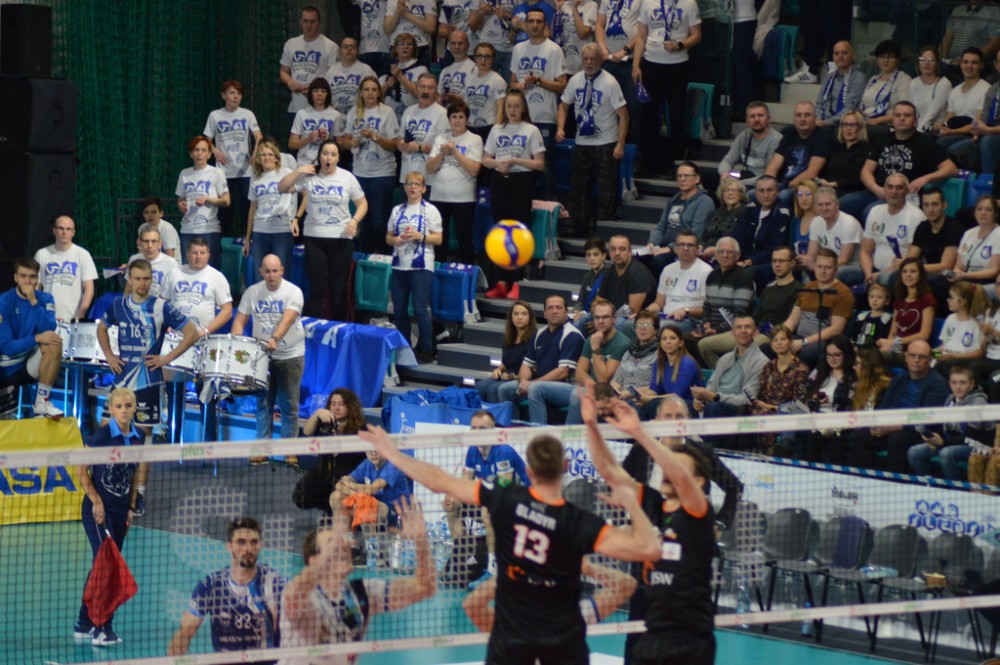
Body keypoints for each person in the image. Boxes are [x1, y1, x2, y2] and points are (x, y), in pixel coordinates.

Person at [357, 422, 661, 665]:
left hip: (510, 639)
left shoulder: (506, 498)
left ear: (528, 471)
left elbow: (438, 481)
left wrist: (392, 452)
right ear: (566, 466)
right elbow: (648, 549)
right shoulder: (579, 521)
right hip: (563, 641)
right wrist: (632, 503)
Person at [581, 393, 716, 665]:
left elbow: (680, 477)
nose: (667, 471)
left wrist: (639, 432)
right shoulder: (653, 504)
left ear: (699, 481)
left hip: (688, 639)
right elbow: (609, 471)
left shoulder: (698, 513)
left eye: (676, 467)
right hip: (651, 632)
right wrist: (592, 427)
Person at [278, 502, 436, 663]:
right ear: (313, 559)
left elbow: (424, 587)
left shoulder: (362, 592)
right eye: (332, 542)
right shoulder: (304, 596)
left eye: (342, 541)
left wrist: (422, 543)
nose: (343, 544)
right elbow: (296, 592)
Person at [73, 387, 142, 646]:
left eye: (128, 406)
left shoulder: (138, 437)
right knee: (108, 567)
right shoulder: (101, 437)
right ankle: (102, 629)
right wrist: (97, 501)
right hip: (97, 511)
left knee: (101, 566)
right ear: (111, 409)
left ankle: (83, 623)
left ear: (134, 408)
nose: (124, 410)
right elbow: (81, 471)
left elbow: (133, 474)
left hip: (120, 512)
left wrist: (131, 507)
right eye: (119, 406)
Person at [99, 259, 199, 433]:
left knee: (142, 438)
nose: (142, 283)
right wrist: (109, 355)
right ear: (130, 279)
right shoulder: (118, 305)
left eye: (146, 278)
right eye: (137, 279)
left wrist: (166, 359)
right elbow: (101, 328)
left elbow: (192, 333)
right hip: (122, 378)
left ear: (152, 279)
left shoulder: (162, 307)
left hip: (148, 381)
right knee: (106, 431)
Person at [168, 518, 287, 656]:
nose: (248, 549)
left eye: (254, 542)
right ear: (229, 546)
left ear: (260, 545)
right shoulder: (210, 585)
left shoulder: (276, 584)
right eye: (241, 542)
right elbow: (185, 633)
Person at [279, 139, 368, 320]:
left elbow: (363, 204)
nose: (328, 158)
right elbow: (282, 187)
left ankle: (339, 329)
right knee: (317, 289)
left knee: (338, 289)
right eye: (325, 153)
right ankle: (315, 328)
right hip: (314, 239)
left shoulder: (347, 177)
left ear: (338, 158)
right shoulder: (310, 175)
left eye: (333, 154)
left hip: (341, 239)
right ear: (319, 156)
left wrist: (354, 221)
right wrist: (298, 171)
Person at [159, 239, 234, 440]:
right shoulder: (174, 274)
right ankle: (173, 439)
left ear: (208, 254)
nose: (198, 256)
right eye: (194, 252)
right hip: (176, 342)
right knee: (174, 392)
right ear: (187, 254)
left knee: (206, 394)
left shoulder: (216, 277)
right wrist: (166, 327)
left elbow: (227, 311)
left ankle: (209, 444)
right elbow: (161, 305)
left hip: (205, 343)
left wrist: (206, 331)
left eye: (202, 252)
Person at [231, 255, 306, 458]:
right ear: (261, 272)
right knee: (263, 403)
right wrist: (235, 343)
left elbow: (288, 319)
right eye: (267, 271)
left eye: (275, 271)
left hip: (290, 355)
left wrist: (274, 338)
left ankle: (290, 451)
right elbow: (239, 321)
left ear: (282, 270)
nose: (271, 275)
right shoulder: (252, 292)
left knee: (289, 404)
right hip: (262, 357)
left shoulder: (293, 292)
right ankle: (262, 450)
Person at [557, 43, 628, 237]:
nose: (589, 63)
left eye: (593, 59)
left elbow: (623, 115)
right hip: (582, 142)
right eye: (586, 59)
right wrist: (561, 127)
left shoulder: (610, 82)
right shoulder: (575, 80)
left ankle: (604, 230)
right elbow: (563, 105)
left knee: (606, 190)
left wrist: (620, 144)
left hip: (606, 142)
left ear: (600, 60)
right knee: (579, 188)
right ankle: (578, 226)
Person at [841, 101, 958, 220]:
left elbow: (951, 169)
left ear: (915, 120)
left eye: (907, 115)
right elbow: (866, 171)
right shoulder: (883, 139)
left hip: (902, 196)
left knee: (870, 211)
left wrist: (926, 178)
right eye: (898, 115)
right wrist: (876, 189)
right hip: (878, 191)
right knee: (843, 203)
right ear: (893, 119)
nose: (902, 118)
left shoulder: (925, 142)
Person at [481, 90, 547, 298]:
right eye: (509, 106)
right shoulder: (497, 130)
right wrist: (498, 163)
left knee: (518, 232)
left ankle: (516, 281)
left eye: (516, 106)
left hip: (522, 181)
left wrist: (516, 160)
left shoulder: (531, 130)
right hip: (500, 181)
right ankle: (501, 282)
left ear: (523, 108)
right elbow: (485, 160)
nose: (512, 110)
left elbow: (539, 163)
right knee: (501, 232)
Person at [464, 556, 636, 631]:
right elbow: (626, 586)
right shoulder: (572, 618)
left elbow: (472, 605)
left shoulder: (511, 623)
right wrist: (589, 569)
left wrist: (508, 573)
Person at [699, 246, 801, 367]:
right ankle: (725, 375)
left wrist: (764, 334)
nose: (777, 265)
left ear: (792, 263)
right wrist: (749, 329)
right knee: (704, 345)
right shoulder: (768, 289)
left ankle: (735, 376)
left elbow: (791, 323)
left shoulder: (799, 289)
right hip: (753, 331)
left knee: (744, 348)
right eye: (774, 261)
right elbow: (756, 315)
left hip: (772, 335)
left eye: (782, 261)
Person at [631, 0, 701, 177]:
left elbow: (697, 35)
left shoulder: (689, 3)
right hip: (651, 64)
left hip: (678, 65)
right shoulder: (648, 3)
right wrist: (636, 65)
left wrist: (680, 44)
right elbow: (641, 36)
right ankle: (649, 163)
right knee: (648, 115)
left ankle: (675, 163)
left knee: (676, 114)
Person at [496, 294, 585, 423]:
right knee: (504, 389)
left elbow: (563, 372)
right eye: (550, 308)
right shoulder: (539, 334)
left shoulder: (572, 335)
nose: (554, 311)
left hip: (567, 387)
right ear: (544, 313)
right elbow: (527, 365)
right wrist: (523, 382)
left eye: (559, 307)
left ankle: (538, 432)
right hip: (541, 383)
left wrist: (532, 383)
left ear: (566, 311)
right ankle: (512, 430)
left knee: (535, 389)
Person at [867, 339, 950, 471]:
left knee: (897, 439)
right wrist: (876, 423)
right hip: (892, 427)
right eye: (912, 355)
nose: (916, 360)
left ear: (929, 360)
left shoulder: (937, 384)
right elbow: (884, 405)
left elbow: (925, 420)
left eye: (922, 357)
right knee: (859, 436)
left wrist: (892, 427)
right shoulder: (900, 378)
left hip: (919, 432)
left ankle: (894, 481)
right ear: (906, 357)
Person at [387, 171, 442, 362]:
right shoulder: (397, 210)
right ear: (404, 187)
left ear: (424, 189)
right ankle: (405, 349)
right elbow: (388, 236)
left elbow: (439, 239)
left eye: (417, 184)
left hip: (422, 265)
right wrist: (396, 240)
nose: (413, 187)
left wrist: (421, 236)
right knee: (399, 310)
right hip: (400, 265)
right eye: (409, 183)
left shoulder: (431, 210)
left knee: (420, 309)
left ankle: (427, 348)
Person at [0, 257, 65, 418]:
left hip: (29, 363)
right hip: (7, 367)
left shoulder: (45, 299)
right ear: (15, 277)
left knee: (54, 342)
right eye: (23, 276)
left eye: (32, 277)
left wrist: (34, 302)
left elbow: (49, 329)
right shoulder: (4, 302)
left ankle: (42, 403)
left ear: (37, 279)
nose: (28, 281)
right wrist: (36, 339)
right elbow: (7, 347)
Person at [345, 76, 401, 254]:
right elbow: (345, 140)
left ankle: (384, 257)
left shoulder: (387, 112)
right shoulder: (354, 112)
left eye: (374, 89)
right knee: (364, 222)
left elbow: (394, 145)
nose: (370, 93)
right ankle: (365, 258)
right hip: (360, 173)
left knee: (379, 221)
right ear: (361, 93)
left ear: (379, 92)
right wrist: (352, 143)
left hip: (383, 173)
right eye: (366, 89)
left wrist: (374, 137)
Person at [511, 6, 568, 180]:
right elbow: (512, 83)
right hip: (521, 118)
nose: (535, 25)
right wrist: (518, 86)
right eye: (531, 21)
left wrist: (537, 81)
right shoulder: (518, 49)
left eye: (539, 21)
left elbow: (563, 85)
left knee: (546, 170)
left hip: (545, 118)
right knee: (521, 170)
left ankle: (549, 199)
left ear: (545, 25)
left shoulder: (554, 50)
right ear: (526, 24)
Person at [203, 80, 263, 239]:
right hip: (223, 171)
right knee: (223, 210)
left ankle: (247, 239)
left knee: (247, 207)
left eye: (239, 93)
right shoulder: (215, 115)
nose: (236, 96)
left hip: (245, 171)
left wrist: (256, 152)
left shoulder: (247, 114)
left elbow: (259, 136)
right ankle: (222, 241)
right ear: (223, 95)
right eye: (232, 93)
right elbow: (206, 139)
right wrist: (214, 149)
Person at [427, 100, 484, 265]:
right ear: (449, 119)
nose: (457, 120)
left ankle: (468, 273)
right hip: (439, 196)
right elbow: (429, 168)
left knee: (464, 237)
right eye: (454, 117)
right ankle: (438, 271)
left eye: (461, 117)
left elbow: (474, 170)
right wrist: (441, 154)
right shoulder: (440, 139)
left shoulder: (474, 139)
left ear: (467, 119)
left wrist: (456, 153)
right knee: (439, 239)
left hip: (463, 198)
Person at [294, 388, 368, 514]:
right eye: (333, 404)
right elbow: (306, 432)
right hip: (323, 472)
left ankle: (337, 510)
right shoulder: (325, 425)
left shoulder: (360, 430)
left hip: (347, 476)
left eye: (341, 404)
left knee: (336, 498)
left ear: (350, 406)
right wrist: (317, 413)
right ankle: (326, 505)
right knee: (300, 496)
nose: (336, 408)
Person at [780, 248, 855, 368]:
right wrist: (780, 335)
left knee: (806, 354)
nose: (823, 271)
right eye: (819, 267)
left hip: (822, 342)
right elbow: (792, 320)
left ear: (835, 269)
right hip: (799, 337)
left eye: (828, 267)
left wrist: (804, 342)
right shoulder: (808, 287)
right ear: (814, 267)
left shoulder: (843, 293)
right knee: (771, 346)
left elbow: (836, 329)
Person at [689, 237, 754, 367]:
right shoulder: (712, 275)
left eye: (729, 252)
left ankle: (721, 375)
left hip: (733, 330)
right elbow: (707, 306)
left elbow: (739, 314)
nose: (725, 255)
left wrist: (716, 330)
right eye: (721, 251)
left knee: (703, 344)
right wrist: (706, 324)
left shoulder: (744, 278)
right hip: (711, 329)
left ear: (737, 256)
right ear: (716, 255)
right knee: (683, 340)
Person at [642, 162, 715, 278]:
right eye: (679, 176)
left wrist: (669, 248)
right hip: (664, 245)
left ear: (696, 179)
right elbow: (661, 226)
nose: (682, 179)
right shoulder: (674, 200)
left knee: (657, 262)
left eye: (686, 176)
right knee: (638, 259)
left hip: (684, 247)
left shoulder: (704, 202)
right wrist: (652, 244)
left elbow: (696, 232)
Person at [566, 297, 632, 423]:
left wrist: (596, 348)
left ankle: (571, 435)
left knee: (577, 395)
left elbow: (603, 379)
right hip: (589, 387)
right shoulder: (590, 340)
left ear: (614, 319)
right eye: (597, 318)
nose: (600, 321)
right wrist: (593, 387)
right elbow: (579, 373)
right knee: (538, 389)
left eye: (605, 317)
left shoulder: (622, 343)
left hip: (609, 393)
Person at [330, 448, 412, 544]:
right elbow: (339, 485)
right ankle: (348, 541)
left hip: (396, 514)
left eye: (376, 450)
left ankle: (371, 546)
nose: (373, 453)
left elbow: (371, 489)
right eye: (369, 451)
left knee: (364, 501)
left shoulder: (393, 465)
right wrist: (353, 492)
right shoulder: (367, 464)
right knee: (336, 496)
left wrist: (350, 485)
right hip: (373, 510)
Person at [796, 335, 857, 463]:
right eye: (829, 355)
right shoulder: (818, 373)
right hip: (814, 416)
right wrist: (814, 399)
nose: (832, 359)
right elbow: (802, 398)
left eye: (837, 355)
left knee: (815, 437)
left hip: (837, 422)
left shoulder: (853, 378)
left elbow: (852, 406)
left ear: (846, 354)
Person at [691, 314, 767, 418]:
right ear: (733, 333)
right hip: (715, 404)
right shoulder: (724, 359)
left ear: (755, 332)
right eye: (739, 327)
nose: (743, 331)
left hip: (741, 410)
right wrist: (701, 399)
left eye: (747, 327)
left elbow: (748, 399)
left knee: (714, 407)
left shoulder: (761, 361)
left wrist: (716, 397)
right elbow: (711, 387)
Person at [750, 325, 810, 455]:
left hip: (785, 411)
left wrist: (770, 407)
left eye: (783, 339)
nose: (779, 343)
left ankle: (775, 455)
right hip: (763, 407)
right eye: (775, 340)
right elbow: (761, 392)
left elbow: (799, 404)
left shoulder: (800, 368)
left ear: (790, 342)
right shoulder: (769, 365)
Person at [765, 101, 836, 209]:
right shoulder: (788, 135)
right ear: (794, 119)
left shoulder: (823, 138)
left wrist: (787, 186)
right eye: (798, 115)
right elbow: (773, 167)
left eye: (807, 115)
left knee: (783, 196)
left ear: (815, 118)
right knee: (754, 193)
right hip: (782, 184)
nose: (802, 119)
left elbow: (811, 173)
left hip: (804, 186)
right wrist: (769, 186)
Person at [861, 172, 926, 287]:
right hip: (872, 269)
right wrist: (868, 274)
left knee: (885, 279)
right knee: (843, 274)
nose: (894, 192)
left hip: (899, 271)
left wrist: (878, 275)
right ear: (884, 190)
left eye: (899, 188)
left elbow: (911, 259)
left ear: (907, 191)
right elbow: (865, 251)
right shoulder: (875, 211)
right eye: (890, 187)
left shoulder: (916, 216)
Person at [280, 6, 340, 128]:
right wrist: (290, 81)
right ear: (300, 22)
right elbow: (283, 71)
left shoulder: (331, 46)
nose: (309, 25)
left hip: (320, 109)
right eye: (305, 21)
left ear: (319, 23)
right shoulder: (291, 44)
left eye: (312, 21)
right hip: (296, 108)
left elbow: (335, 76)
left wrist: (315, 86)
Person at [175, 135, 230, 269]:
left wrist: (208, 199)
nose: (199, 154)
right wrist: (181, 205)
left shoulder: (217, 173)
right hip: (188, 229)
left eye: (203, 150)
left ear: (209, 154)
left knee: (210, 271)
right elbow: (180, 199)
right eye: (196, 150)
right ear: (191, 153)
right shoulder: (184, 174)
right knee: (188, 270)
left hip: (208, 229)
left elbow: (226, 200)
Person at [245, 139, 296, 277]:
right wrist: (248, 238)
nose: (266, 158)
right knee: (260, 276)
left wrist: (296, 218)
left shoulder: (286, 173)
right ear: (258, 158)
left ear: (276, 158)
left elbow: (305, 192)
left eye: (270, 154)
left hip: (282, 231)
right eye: (263, 155)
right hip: (260, 232)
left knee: (282, 277)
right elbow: (252, 208)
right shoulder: (255, 177)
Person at [646, 230, 712, 337]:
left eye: (690, 245)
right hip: (665, 316)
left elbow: (706, 310)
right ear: (675, 248)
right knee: (631, 324)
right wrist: (645, 314)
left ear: (697, 249)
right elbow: (658, 303)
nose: (685, 248)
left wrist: (686, 310)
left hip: (690, 320)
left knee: (662, 327)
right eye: (681, 244)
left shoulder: (706, 271)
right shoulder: (668, 269)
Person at [595, 0, 641, 148]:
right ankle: (609, 149)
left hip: (630, 62)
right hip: (607, 62)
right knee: (606, 108)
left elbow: (643, 29)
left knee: (633, 109)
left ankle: (633, 152)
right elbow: (600, 25)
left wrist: (625, 50)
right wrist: (603, 48)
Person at [732, 175, 791, 292]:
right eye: (761, 191)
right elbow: (738, 236)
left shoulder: (783, 214)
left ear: (777, 192)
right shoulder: (750, 209)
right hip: (744, 259)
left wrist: (751, 261)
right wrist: (734, 256)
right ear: (756, 193)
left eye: (770, 190)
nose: (766, 195)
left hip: (767, 262)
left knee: (747, 274)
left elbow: (776, 247)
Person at [34, 215, 97, 322]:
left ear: (73, 232)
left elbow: (89, 289)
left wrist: (80, 316)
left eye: (68, 229)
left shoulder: (82, 254)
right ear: (54, 231)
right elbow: (36, 287)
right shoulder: (42, 254)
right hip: (47, 319)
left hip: (72, 319)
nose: (64, 232)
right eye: (61, 228)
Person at [876, 257, 937, 366]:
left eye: (913, 271)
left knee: (875, 357)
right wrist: (888, 345)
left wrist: (895, 342)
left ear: (920, 275)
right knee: (872, 354)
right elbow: (893, 333)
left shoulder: (927, 299)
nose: (908, 275)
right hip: (897, 348)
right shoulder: (899, 300)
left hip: (915, 351)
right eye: (904, 272)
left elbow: (924, 335)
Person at [593, 234, 656, 335]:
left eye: (622, 249)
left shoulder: (639, 273)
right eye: (613, 249)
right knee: (585, 319)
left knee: (619, 323)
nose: (617, 253)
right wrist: (597, 315)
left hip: (637, 317)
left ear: (630, 252)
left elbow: (632, 309)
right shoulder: (608, 272)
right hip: (614, 315)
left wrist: (608, 318)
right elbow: (598, 301)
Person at [476, 300, 537, 402]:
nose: (519, 317)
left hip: (524, 379)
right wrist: (498, 370)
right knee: (480, 386)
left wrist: (513, 377)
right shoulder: (509, 337)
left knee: (493, 389)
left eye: (524, 314)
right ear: (511, 317)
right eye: (516, 314)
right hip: (507, 375)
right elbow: (508, 361)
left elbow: (535, 369)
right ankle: (483, 412)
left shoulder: (535, 338)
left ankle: (498, 413)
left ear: (530, 317)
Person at [397, 72, 449, 191]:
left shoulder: (443, 114)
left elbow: (444, 150)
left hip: (429, 179)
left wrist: (419, 147)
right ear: (416, 89)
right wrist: (401, 145)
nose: (425, 91)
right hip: (406, 176)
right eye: (422, 87)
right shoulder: (408, 111)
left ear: (435, 91)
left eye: (430, 88)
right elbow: (399, 139)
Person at [805, 187, 863, 286]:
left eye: (828, 204)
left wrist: (818, 268)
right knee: (800, 266)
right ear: (815, 207)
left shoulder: (849, 223)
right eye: (820, 205)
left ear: (837, 205)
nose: (824, 208)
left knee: (834, 272)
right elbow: (811, 255)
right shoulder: (816, 222)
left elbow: (844, 260)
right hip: (827, 265)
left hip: (853, 267)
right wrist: (808, 262)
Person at [936, 47, 990, 153]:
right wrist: (941, 126)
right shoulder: (954, 91)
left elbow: (977, 124)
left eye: (974, 63)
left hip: (973, 135)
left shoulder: (987, 89)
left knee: (943, 143)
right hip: (953, 132)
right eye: (965, 62)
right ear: (960, 64)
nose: (969, 66)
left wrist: (951, 132)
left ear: (981, 65)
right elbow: (949, 119)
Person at [717, 101, 782, 188]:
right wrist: (725, 174)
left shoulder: (776, 140)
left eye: (760, 115)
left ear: (769, 119)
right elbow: (727, 161)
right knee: (710, 177)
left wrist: (738, 183)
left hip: (762, 180)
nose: (756, 119)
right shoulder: (744, 136)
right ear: (747, 121)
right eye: (752, 116)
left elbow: (769, 176)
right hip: (744, 175)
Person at [289, 77, 347, 170]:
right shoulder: (301, 114)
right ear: (310, 93)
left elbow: (342, 146)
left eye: (323, 91)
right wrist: (308, 139)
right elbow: (291, 144)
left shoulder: (335, 115)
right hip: (304, 164)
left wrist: (327, 140)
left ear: (327, 94)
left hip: (326, 165)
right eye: (316, 91)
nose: (319, 94)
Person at [935, 280, 988, 377]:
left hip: (961, 360)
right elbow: (943, 344)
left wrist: (955, 356)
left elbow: (979, 353)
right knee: (926, 357)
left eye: (951, 297)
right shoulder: (950, 318)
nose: (947, 300)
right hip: (947, 355)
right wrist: (934, 354)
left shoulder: (976, 324)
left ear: (962, 302)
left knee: (948, 364)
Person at [860, 40, 912, 137]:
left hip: (887, 125)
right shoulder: (873, 79)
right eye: (882, 57)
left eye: (890, 57)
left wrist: (878, 120)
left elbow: (905, 111)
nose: (886, 60)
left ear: (897, 60)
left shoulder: (903, 79)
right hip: (867, 121)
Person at [951, 194, 1000, 296]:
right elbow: (958, 266)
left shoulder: (998, 234)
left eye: (988, 210)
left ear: (995, 214)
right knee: (940, 285)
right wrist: (956, 274)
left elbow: (994, 271)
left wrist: (965, 275)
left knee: (964, 293)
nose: (983, 213)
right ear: (974, 213)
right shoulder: (968, 233)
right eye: (979, 209)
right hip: (965, 279)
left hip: (987, 281)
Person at [644, 324, 703, 407]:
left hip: (688, 405)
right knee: (633, 404)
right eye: (664, 339)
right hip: (669, 403)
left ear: (681, 343)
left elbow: (677, 396)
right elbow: (654, 390)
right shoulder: (659, 363)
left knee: (650, 404)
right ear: (660, 343)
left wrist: (648, 399)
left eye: (672, 338)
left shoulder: (687, 364)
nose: (668, 342)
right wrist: (641, 397)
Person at [817, 110, 870, 197]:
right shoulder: (836, 148)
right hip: (828, 187)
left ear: (860, 127)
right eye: (845, 124)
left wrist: (833, 184)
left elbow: (857, 179)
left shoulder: (865, 149)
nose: (848, 128)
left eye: (853, 125)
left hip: (848, 191)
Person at [940, 0, 1000, 76]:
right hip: (951, 65)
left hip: (976, 68)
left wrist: (971, 59)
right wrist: (943, 61)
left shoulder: (995, 11)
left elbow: (995, 42)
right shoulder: (958, 10)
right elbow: (947, 38)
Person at [814, 41, 865, 129]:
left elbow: (850, 108)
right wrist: (818, 120)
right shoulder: (829, 77)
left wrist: (826, 123)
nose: (840, 56)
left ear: (853, 56)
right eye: (837, 53)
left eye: (844, 53)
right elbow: (819, 103)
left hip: (843, 125)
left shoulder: (858, 77)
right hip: (822, 123)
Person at [611, 309, 659, 401]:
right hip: (621, 399)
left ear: (656, 330)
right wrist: (614, 392)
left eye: (647, 325)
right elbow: (617, 380)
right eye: (639, 325)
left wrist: (631, 393)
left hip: (643, 400)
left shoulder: (660, 354)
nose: (642, 328)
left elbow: (657, 386)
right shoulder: (629, 352)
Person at [464, 43, 508, 143]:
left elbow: (501, 110)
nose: (483, 60)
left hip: (488, 128)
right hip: (470, 127)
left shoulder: (498, 81)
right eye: (479, 56)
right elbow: (466, 106)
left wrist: (495, 133)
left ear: (493, 59)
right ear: (475, 58)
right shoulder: (469, 79)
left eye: (487, 56)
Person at [323, 35, 377, 116]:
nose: (349, 49)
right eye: (345, 47)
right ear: (339, 52)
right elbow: (324, 95)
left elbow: (375, 95)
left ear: (358, 50)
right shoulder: (331, 71)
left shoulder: (366, 70)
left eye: (352, 47)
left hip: (359, 116)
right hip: (335, 117)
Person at [381, 32, 429, 121]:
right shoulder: (388, 67)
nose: (405, 47)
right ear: (395, 48)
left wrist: (400, 77)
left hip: (413, 116)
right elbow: (376, 95)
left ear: (414, 49)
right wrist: (387, 85)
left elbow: (419, 93)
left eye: (409, 44)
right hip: (390, 116)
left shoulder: (420, 68)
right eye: (401, 44)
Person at [468, 0, 518, 81]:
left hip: (510, 49)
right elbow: (472, 27)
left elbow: (522, 18)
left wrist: (509, 16)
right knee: (484, 84)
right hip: (487, 48)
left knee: (510, 86)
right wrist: (481, 12)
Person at [125, 224, 179, 298]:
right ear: (140, 243)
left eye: (154, 241)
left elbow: (175, 292)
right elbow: (128, 290)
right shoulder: (134, 260)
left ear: (160, 244)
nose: (150, 245)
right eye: (146, 241)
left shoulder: (171, 263)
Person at [701, 178, 747, 261]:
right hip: (706, 252)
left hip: (727, 255)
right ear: (722, 195)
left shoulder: (745, 212)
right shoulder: (718, 211)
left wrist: (716, 250)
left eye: (733, 190)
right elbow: (705, 234)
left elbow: (740, 241)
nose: (730, 193)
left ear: (741, 194)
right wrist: (700, 246)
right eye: (726, 190)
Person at [911, 45, 953, 134]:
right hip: (915, 128)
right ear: (918, 63)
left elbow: (931, 116)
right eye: (923, 60)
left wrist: (917, 134)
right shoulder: (913, 83)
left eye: (931, 60)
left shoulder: (944, 84)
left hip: (932, 130)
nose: (926, 63)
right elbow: (910, 110)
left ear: (937, 63)